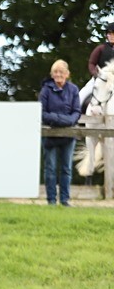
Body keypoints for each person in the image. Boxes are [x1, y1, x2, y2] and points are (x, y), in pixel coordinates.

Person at [39, 59, 81, 207]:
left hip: (68, 135)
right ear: (52, 74)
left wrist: (64, 121)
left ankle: (64, 200)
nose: (58, 74)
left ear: (67, 74)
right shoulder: (46, 90)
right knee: (50, 168)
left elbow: (76, 112)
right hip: (49, 134)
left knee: (66, 168)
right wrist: (62, 119)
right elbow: (42, 113)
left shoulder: (73, 90)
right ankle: (51, 200)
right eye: (55, 72)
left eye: (61, 72)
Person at [80, 22, 114, 107]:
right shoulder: (100, 48)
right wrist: (96, 73)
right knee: (81, 95)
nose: (111, 36)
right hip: (100, 79)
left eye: (113, 34)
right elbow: (92, 63)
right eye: (109, 34)